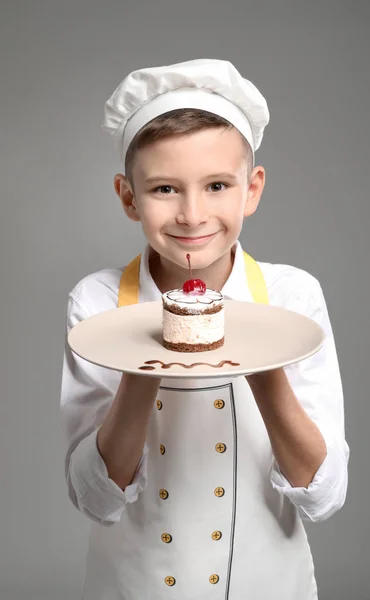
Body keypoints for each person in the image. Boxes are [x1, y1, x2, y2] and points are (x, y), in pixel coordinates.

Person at [60, 58, 349, 600]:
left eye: (217, 185)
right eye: (165, 189)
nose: (193, 215)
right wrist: (143, 356)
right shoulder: (97, 303)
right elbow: (96, 501)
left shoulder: (293, 298)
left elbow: (325, 495)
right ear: (128, 197)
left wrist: (263, 358)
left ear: (252, 189)